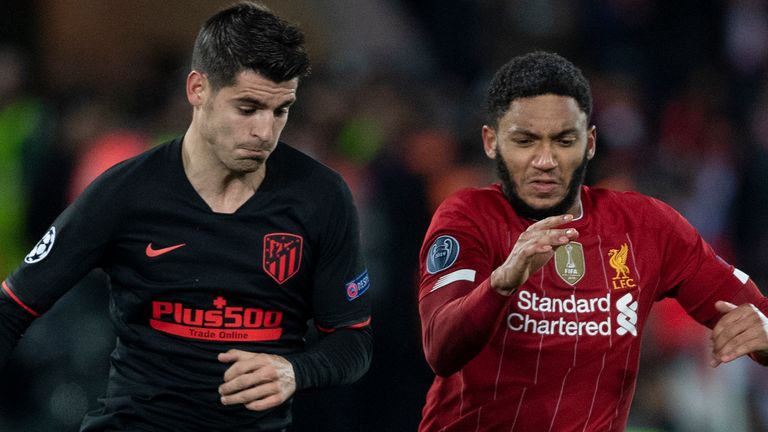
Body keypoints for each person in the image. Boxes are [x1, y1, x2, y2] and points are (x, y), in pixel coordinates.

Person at [0, 2, 372, 431]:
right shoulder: (126, 192)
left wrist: (296, 371)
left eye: (281, 110)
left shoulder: (320, 197)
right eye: (247, 108)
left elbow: (352, 341)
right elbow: (12, 309)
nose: (264, 132)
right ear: (198, 89)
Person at [416, 51, 768, 432]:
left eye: (564, 140)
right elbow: (440, 346)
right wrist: (500, 284)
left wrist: (764, 334)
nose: (545, 159)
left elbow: (755, 314)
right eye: (525, 140)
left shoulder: (646, 226)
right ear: (491, 141)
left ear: (590, 142)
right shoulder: (468, 216)